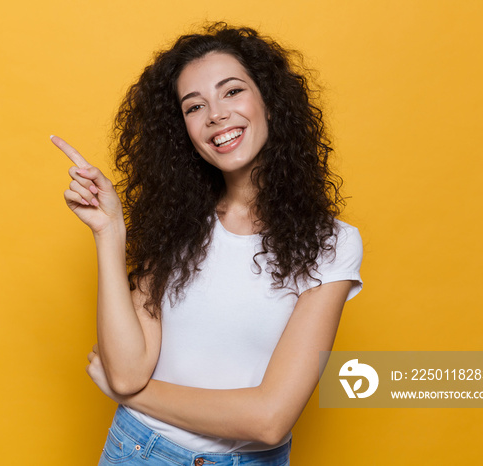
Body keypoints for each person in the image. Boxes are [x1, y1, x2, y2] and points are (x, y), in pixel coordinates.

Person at [52, 22, 363, 466]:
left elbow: (269, 420)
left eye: (232, 92)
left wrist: (135, 396)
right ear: (185, 131)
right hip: (139, 452)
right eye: (194, 106)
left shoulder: (331, 244)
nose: (215, 114)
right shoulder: (177, 224)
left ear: (269, 103)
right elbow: (127, 368)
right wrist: (109, 232)